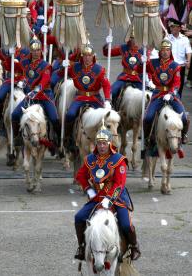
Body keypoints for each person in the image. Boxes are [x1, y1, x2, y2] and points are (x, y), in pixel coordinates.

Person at [74, 126, 141, 261]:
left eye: (104, 143)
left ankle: (134, 246)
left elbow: (119, 184)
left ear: (110, 143)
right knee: (79, 217)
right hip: (97, 197)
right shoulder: (90, 159)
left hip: (117, 198)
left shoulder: (119, 160)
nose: (101, 146)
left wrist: (109, 199)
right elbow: (80, 176)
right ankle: (81, 246)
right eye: (99, 143)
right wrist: (89, 189)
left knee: (126, 224)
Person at [11, 36, 60, 153]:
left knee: (54, 118)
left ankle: (58, 141)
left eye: (38, 50)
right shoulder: (25, 63)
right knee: (15, 114)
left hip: (44, 95)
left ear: (41, 51)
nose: (36, 52)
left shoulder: (46, 65)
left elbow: (45, 80)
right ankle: (17, 137)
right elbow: (21, 73)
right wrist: (21, 81)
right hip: (30, 96)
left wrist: (37, 90)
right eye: (34, 50)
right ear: (30, 51)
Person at [61, 43, 111, 150]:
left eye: (89, 55)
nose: (87, 58)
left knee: (105, 118)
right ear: (82, 56)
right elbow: (62, 73)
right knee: (70, 115)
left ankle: (107, 142)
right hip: (80, 97)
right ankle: (68, 138)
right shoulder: (75, 67)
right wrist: (63, 65)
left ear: (93, 56)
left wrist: (107, 100)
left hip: (95, 98)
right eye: (85, 55)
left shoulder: (99, 69)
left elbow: (106, 85)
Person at [143, 39, 189, 148]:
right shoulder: (153, 63)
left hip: (171, 95)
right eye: (163, 50)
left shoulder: (175, 66)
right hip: (158, 93)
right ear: (160, 51)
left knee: (184, 117)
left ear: (170, 51)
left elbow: (177, 83)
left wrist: (172, 93)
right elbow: (142, 69)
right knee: (148, 117)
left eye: (167, 50)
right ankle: (147, 138)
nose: (165, 52)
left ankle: (183, 135)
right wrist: (143, 61)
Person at [103, 33, 143, 108]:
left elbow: (148, 66)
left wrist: (150, 79)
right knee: (112, 91)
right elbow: (108, 53)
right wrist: (107, 45)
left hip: (137, 78)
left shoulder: (142, 50)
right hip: (125, 76)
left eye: (133, 38)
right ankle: (114, 107)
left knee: (144, 97)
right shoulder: (123, 48)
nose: (132, 40)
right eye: (130, 38)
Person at [167, 18, 192, 97]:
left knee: (179, 88)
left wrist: (188, 61)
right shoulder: (167, 38)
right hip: (170, 67)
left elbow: (189, 51)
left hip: (180, 67)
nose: (171, 29)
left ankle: (177, 103)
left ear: (178, 28)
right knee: (168, 87)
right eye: (170, 27)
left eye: (173, 27)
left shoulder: (184, 39)